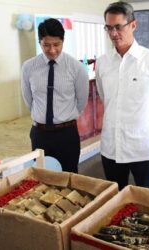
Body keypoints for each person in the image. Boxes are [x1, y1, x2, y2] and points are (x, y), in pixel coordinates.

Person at [96, 1, 149, 190]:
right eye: (109, 28)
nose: (113, 33)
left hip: (142, 148)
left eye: (118, 27)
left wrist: (143, 126)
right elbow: (106, 98)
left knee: (146, 201)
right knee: (114, 198)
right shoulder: (103, 62)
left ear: (133, 25)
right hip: (111, 146)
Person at [21, 18, 89, 173]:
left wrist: (63, 118)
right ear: (40, 42)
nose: (52, 50)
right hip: (40, 134)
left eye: (56, 45)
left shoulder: (76, 68)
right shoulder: (28, 67)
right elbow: (28, 99)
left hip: (66, 134)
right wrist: (42, 117)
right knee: (42, 178)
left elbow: (81, 101)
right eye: (46, 45)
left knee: (70, 178)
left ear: (63, 41)